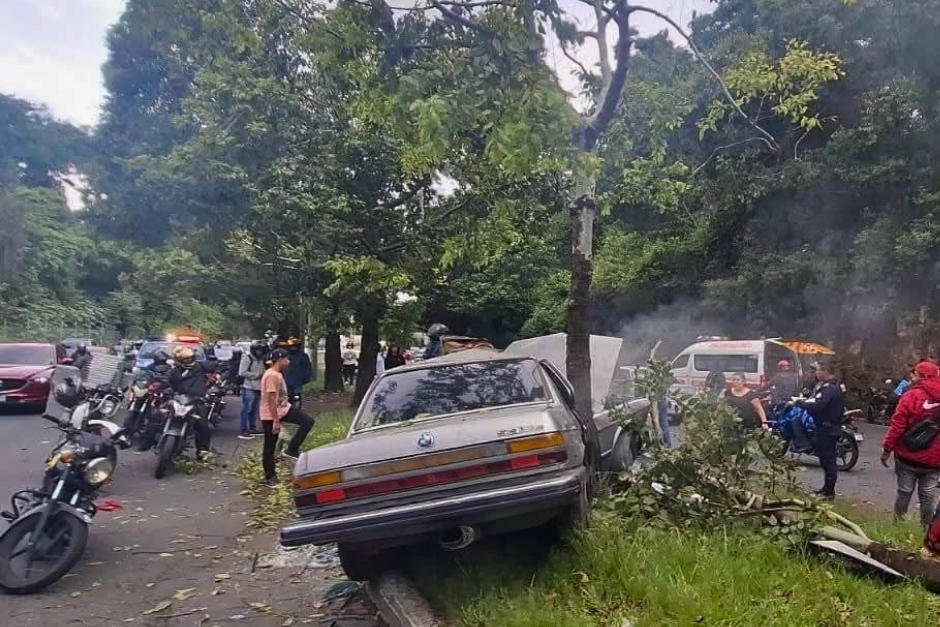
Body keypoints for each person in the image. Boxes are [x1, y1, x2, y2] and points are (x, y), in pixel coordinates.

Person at [880, 360, 940, 526]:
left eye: (915, 375)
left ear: (922, 376)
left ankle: (898, 526)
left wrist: (887, 449)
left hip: (908, 456)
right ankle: (926, 529)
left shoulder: (911, 395)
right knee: (928, 496)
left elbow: (897, 426)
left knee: (904, 492)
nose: (911, 378)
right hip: (934, 461)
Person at [260, 348, 315, 486]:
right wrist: (275, 421)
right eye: (287, 359)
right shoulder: (272, 375)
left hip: (284, 409)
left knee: (307, 421)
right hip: (272, 414)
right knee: (269, 446)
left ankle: (292, 448)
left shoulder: (276, 374)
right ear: (280, 360)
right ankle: (270, 476)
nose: (289, 362)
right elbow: (271, 400)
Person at [795, 361, 845, 499]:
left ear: (826, 372)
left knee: (828, 461)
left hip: (827, 428)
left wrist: (800, 403)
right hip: (828, 426)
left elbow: (818, 406)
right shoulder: (835, 385)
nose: (816, 373)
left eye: (818, 371)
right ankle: (826, 489)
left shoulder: (828, 389)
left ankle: (829, 491)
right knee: (826, 460)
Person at [167, 346, 212, 459]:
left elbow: (218, 367)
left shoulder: (201, 367)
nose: (188, 361)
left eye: (190, 358)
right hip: (177, 399)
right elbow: (166, 382)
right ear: (179, 360)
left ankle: (203, 451)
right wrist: (160, 388)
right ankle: (147, 442)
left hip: (196, 399)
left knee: (203, 425)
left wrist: (216, 376)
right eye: (185, 359)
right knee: (157, 415)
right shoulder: (173, 371)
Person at [237, 341, 267, 439]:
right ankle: (244, 429)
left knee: (254, 409)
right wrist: (256, 375)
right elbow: (242, 372)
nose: (260, 352)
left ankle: (252, 428)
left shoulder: (262, 359)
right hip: (249, 386)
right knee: (247, 409)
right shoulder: (247, 358)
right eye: (258, 350)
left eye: (261, 351)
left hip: (259, 387)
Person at [283, 337, 313, 404]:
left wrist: (306, 378)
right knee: (287, 398)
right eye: (292, 346)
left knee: (297, 397)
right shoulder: (285, 356)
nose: (293, 348)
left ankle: (297, 410)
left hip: (298, 382)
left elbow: (307, 368)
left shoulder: (303, 356)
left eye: (295, 346)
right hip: (286, 381)